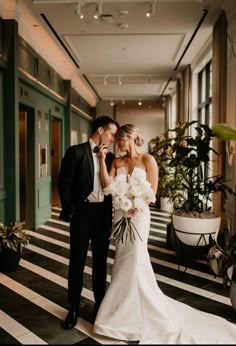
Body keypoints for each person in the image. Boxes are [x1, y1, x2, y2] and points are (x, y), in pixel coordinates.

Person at [93, 123, 236, 344]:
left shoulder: (148, 160)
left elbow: (153, 192)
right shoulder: (116, 161)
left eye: (119, 140)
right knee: (121, 259)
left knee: (137, 258)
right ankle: (120, 314)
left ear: (128, 138)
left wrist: (136, 205)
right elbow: (107, 187)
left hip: (139, 215)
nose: (117, 144)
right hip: (121, 214)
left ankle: (144, 312)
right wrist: (102, 161)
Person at [58, 115, 119, 329]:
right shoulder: (76, 152)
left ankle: (99, 306)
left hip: (102, 215)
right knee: (77, 261)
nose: (113, 138)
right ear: (100, 130)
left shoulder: (111, 158)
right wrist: (72, 212)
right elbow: (64, 185)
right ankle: (73, 307)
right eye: (111, 133)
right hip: (82, 214)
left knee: (100, 264)